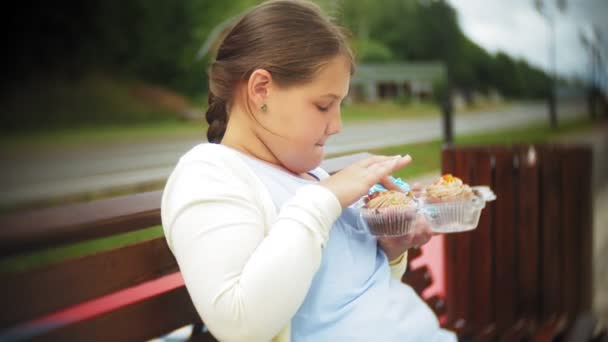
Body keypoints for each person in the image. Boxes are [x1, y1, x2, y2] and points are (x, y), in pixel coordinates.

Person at [161, 1, 456, 341]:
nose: (337, 125)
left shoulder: (313, 179)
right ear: (261, 90)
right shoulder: (210, 174)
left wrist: (391, 249)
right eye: (323, 105)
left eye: (339, 105)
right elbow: (241, 324)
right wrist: (324, 199)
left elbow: (354, 302)